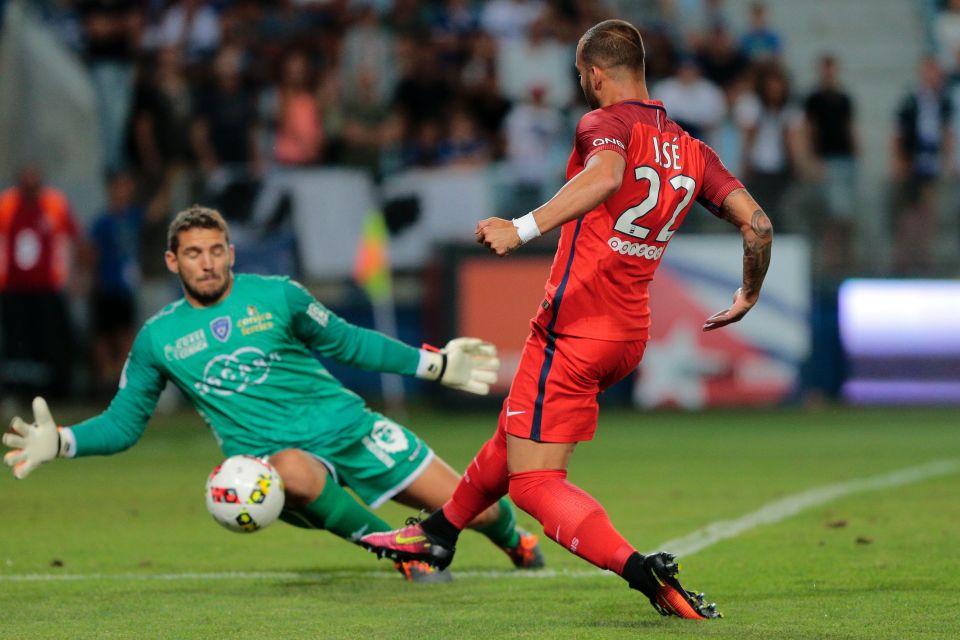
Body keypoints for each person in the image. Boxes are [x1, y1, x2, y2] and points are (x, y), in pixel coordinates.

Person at [359, 19, 773, 620]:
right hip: (628, 334)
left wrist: (519, 227)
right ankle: (439, 535)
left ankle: (643, 571)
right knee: (514, 434)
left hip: (574, 328)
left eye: (582, 75)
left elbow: (604, 177)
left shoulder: (602, 123)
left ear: (594, 74)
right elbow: (757, 224)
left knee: (532, 483)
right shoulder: (692, 148)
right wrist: (749, 292)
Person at [2, 205, 545, 583]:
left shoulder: (278, 295)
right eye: (193, 253)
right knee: (292, 470)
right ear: (173, 262)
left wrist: (436, 363)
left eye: (216, 250)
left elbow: (347, 342)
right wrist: (64, 442)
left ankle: (515, 541)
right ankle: (404, 554)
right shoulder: (158, 339)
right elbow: (124, 423)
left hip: (351, 429)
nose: (207, 262)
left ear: (231, 252)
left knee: (473, 510)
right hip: (271, 463)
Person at [0, 165, 79, 401]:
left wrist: (72, 276)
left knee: (49, 341)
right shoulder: (6, 206)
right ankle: (18, 389)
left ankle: (52, 391)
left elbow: (71, 239)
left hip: (47, 288)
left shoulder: (55, 204)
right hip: (13, 288)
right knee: (17, 342)